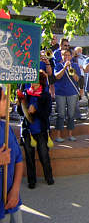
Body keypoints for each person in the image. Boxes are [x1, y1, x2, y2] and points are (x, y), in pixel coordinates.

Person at [17, 71, 54, 189]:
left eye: (34, 79)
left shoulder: (45, 95)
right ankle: (31, 181)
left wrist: (36, 111)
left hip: (41, 130)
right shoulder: (25, 94)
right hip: (28, 130)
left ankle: (49, 177)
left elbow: (47, 113)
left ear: (40, 81)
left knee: (44, 155)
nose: (32, 82)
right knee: (29, 156)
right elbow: (20, 113)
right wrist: (19, 105)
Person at [0, 85, 23, 222]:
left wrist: (15, 190)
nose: (7, 100)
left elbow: (18, 159)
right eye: (3, 98)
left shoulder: (6, 128)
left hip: (11, 202)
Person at [54, 49, 81, 142]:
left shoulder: (75, 66)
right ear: (61, 56)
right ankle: (58, 135)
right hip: (60, 93)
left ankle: (70, 134)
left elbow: (77, 79)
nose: (66, 57)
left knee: (71, 114)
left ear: (71, 56)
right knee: (61, 114)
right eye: (64, 55)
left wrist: (70, 69)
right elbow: (57, 76)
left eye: (68, 55)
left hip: (72, 93)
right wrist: (64, 68)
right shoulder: (58, 66)